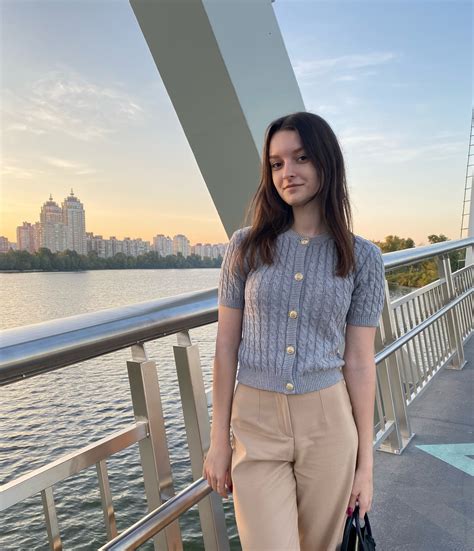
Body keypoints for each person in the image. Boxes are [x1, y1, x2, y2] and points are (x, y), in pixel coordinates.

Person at [202, 111, 386, 550]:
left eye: (301, 158)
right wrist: (218, 440)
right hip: (255, 423)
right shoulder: (245, 246)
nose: (288, 172)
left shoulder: (363, 257)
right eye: (277, 163)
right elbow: (226, 347)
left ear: (326, 162)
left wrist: (365, 466)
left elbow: (360, 362)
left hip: (329, 423)